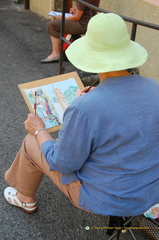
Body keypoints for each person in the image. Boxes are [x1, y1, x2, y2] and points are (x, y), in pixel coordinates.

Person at [4, 13, 159, 217]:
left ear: (91, 54)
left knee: (33, 141)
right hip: (150, 191)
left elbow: (62, 163)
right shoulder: (154, 87)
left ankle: (25, 197)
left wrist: (39, 128)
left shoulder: (85, 107)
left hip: (108, 198)